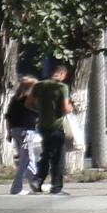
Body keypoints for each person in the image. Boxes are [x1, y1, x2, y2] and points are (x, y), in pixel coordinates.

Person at [30, 63, 74, 194]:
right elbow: (65, 108)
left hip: (43, 125)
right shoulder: (62, 87)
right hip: (57, 126)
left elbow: (29, 103)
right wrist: (71, 108)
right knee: (58, 157)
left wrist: (41, 111)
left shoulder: (38, 85)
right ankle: (56, 186)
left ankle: (37, 180)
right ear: (61, 74)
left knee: (46, 154)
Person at [5, 75, 45, 195]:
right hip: (27, 131)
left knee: (29, 158)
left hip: (16, 131)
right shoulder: (30, 100)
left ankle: (35, 185)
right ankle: (16, 188)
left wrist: (9, 132)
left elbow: (8, 117)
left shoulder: (15, 99)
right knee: (25, 161)